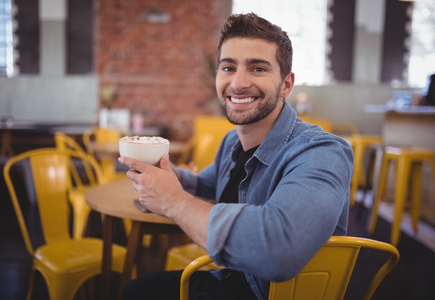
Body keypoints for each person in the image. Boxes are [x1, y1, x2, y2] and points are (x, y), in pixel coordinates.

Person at [119, 13, 354, 300]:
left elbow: (279, 250)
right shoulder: (233, 141)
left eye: (258, 69)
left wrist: (172, 201)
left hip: (271, 293)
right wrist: (163, 171)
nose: (239, 83)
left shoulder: (322, 151)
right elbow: (203, 186)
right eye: (228, 67)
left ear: (286, 85)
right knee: (136, 290)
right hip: (233, 277)